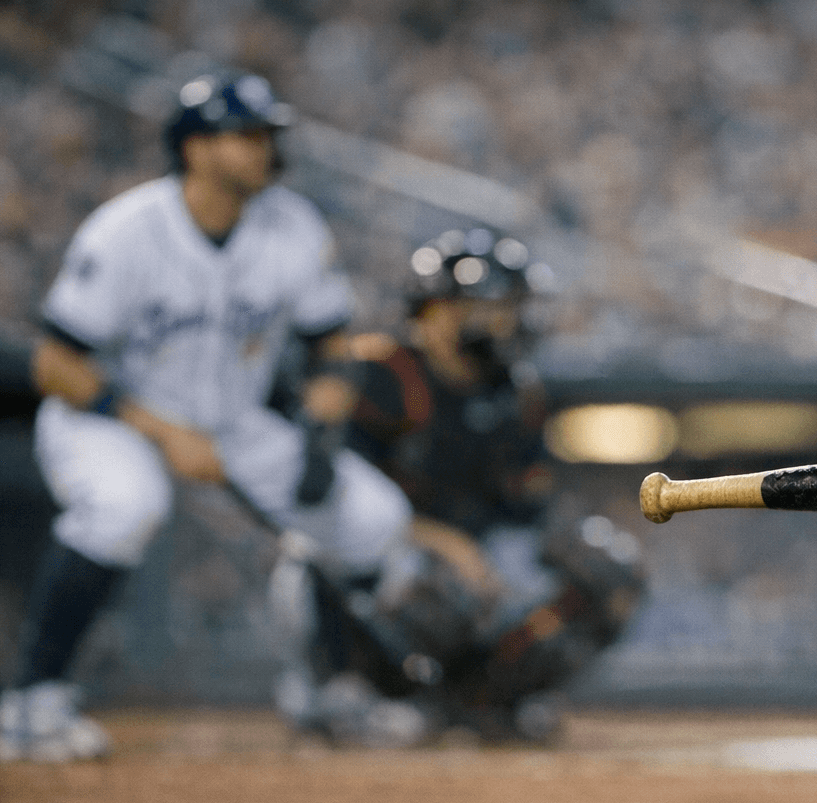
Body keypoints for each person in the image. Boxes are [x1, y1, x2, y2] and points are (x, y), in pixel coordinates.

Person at [0, 72, 414, 762]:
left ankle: (330, 690)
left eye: (266, 135)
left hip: (232, 423)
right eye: (245, 135)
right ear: (194, 148)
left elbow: (332, 347)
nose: (263, 149)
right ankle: (33, 704)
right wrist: (162, 432)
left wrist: (319, 428)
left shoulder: (293, 225)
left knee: (371, 519)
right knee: (125, 507)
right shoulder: (127, 229)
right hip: (113, 420)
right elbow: (54, 364)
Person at [270, 228, 645, 744]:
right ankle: (348, 692)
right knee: (435, 588)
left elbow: (526, 510)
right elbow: (333, 502)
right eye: (492, 308)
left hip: (473, 559)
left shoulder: (515, 392)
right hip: (368, 566)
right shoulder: (379, 373)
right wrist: (447, 545)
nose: (508, 322)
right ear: (437, 312)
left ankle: (481, 703)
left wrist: (535, 557)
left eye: (511, 309)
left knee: (605, 571)